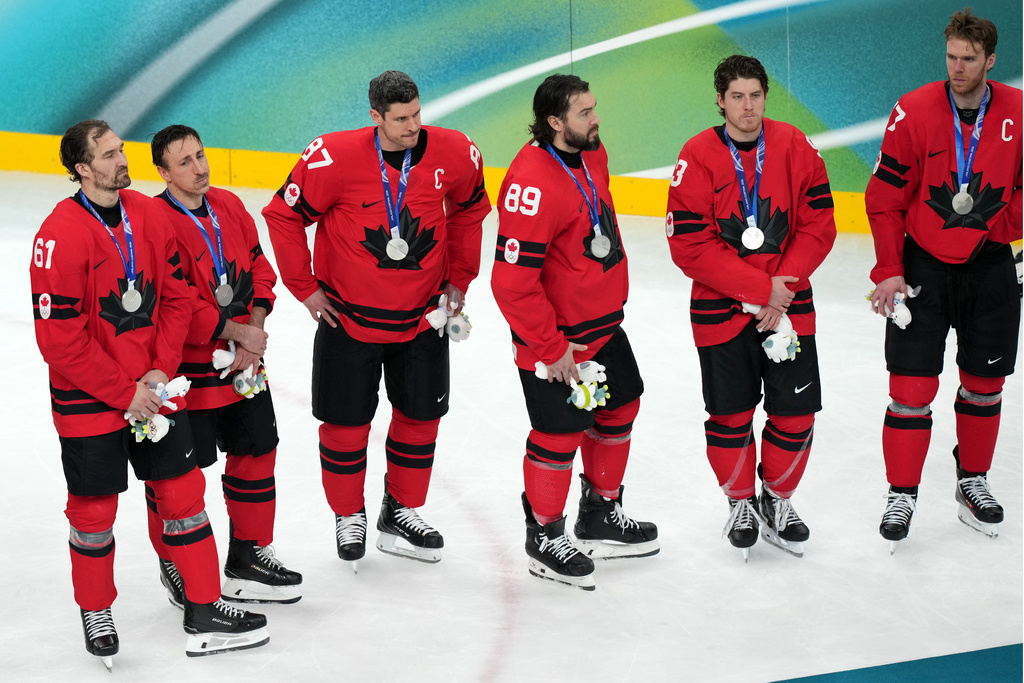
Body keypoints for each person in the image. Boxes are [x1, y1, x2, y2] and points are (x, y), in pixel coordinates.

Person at [30, 120, 268, 668]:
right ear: (82, 168)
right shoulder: (58, 235)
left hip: (155, 390)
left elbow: (177, 302)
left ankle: (205, 607)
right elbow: (60, 341)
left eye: (120, 149)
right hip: (91, 401)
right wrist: (124, 392)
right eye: (109, 154)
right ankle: (97, 610)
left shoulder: (148, 214)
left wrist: (158, 375)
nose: (121, 159)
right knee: (93, 512)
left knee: (183, 497)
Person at [262, 71, 489, 567]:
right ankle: (349, 515)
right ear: (375, 117)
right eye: (401, 119)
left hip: (423, 318)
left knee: (420, 418)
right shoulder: (331, 156)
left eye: (417, 114)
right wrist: (304, 287)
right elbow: (283, 215)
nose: (413, 126)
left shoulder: (454, 151)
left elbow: (471, 207)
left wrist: (461, 277)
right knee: (345, 426)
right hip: (348, 320)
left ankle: (400, 511)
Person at [491, 74, 659, 591]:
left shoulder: (591, 153)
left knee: (619, 407)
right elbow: (511, 283)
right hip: (558, 342)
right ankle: (544, 536)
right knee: (559, 434)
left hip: (605, 327)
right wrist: (551, 347)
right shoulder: (529, 184)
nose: (596, 118)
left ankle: (600, 513)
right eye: (585, 112)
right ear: (554, 122)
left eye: (594, 108)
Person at [666, 56, 836, 561]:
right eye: (737, 97)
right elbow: (689, 246)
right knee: (729, 415)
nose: (748, 107)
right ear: (720, 100)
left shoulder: (795, 145)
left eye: (755, 95)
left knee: (796, 411)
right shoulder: (695, 156)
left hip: (789, 304)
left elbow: (819, 222)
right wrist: (763, 289)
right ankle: (741, 503)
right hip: (724, 311)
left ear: (766, 96)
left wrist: (780, 288)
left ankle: (777, 499)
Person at [866, 8, 1021, 551]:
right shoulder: (912, 111)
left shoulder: (1017, 111)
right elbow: (883, 199)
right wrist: (888, 270)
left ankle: (971, 481)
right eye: (951, 57)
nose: (957, 67)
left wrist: (997, 220)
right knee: (909, 391)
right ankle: (901, 493)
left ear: (991, 61)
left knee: (984, 386)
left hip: (992, 267)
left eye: (969, 59)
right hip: (924, 267)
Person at [150, 124, 302, 603]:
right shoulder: (156, 220)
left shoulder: (230, 205)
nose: (200, 169)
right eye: (185, 162)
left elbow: (260, 272)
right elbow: (179, 304)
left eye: (201, 156)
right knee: (177, 474)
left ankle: (249, 554)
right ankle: (175, 561)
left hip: (243, 364)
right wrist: (241, 335)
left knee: (258, 451)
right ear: (163, 172)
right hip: (186, 371)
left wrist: (252, 337)